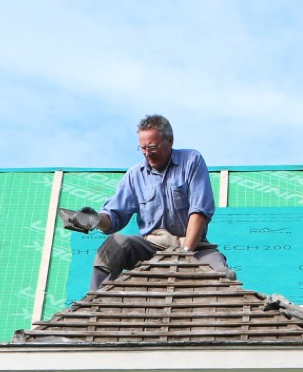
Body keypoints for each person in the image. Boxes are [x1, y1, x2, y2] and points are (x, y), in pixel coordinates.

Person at [62, 114, 232, 289]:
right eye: (142, 148)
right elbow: (113, 218)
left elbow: (199, 211)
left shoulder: (191, 161)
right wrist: (94, 219)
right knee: (115, 244)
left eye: (152, 147)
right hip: (151, 247)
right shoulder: (135, 175)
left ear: (170, 141)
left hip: (194, 247)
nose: (147, 154)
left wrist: (185, 254)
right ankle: (94, 300)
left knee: (221, 272)